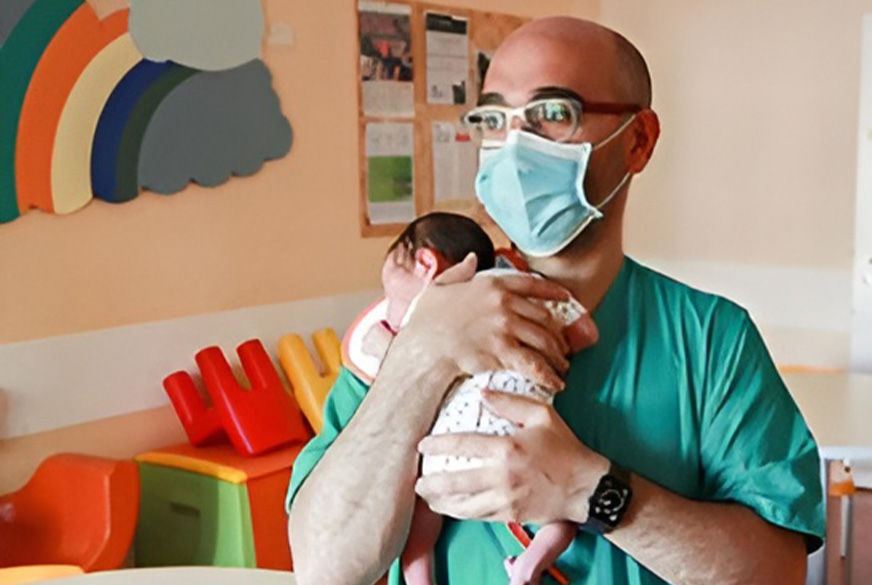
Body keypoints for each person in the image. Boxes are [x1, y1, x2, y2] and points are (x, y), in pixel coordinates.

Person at [287, 16, 825, 585]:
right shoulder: (416, 316)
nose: (516, 146)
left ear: (638, 141)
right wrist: (424, 355)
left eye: (554, 114)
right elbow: (325, 567)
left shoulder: (710, 339)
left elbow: (776, 574)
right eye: (494, 120)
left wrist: (589, 489)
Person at [342, 212, 598, 585]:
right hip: (521, 440)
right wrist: (556, 351)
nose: (392, 311)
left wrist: (385, 340)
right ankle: (528, 567)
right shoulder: (523, 287)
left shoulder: (429, 310)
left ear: (426, 264)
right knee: (564, 517)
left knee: (420, 530)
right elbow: (586, 333)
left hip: (443, 453)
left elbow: (397, 363)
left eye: (392, 295)